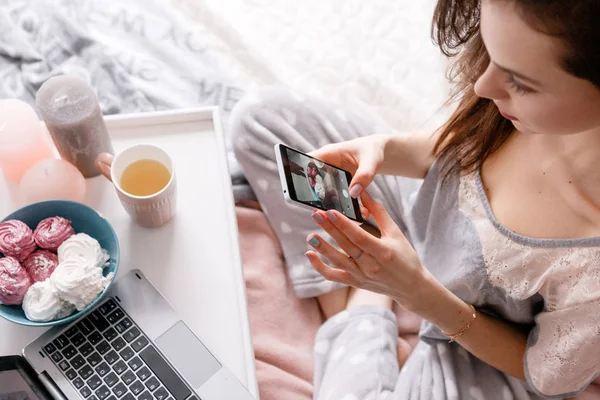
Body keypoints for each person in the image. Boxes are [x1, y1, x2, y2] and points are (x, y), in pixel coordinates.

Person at [230, 0, 600, 398]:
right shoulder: (515, 96)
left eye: (520, 83)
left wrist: (415, 293)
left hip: (467, 338)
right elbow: (459, 151)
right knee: (261, 119)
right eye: (490, 53)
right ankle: (371, 296)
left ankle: (368, 305)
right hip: (421, 223)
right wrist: (384, 150)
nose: (482, 87)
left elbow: (544, 374)